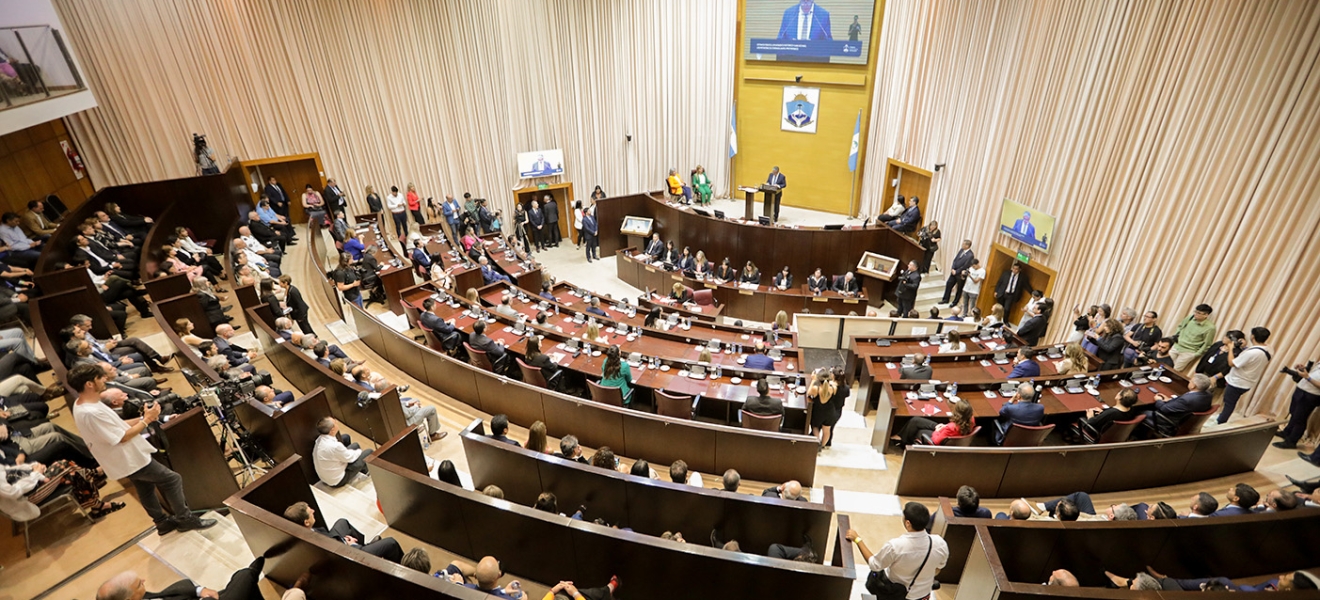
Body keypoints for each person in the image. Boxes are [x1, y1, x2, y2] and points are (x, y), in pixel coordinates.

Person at [68, 364, 215, 534]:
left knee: (145, 488)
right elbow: (121, 437)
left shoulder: (84, 404)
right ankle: (185, 518)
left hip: (123, 458)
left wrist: (150, 418)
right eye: (100, 378)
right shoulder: (90, 412)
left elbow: (118, 425)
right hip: (126, 457)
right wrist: (145, 421)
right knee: (171, 479)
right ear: (89, 384)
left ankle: (161, 523)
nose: (105, 379)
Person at [846, 502, 948, 600]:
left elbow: (874, 565)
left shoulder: (896, 546)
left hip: (896, 594)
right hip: (923, 595)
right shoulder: (940, 543)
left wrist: (857, 539)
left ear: (908, 523)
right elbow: (938, 569)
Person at [283, 501, 403, 562]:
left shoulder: (302, 532)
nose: (313, 511)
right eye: (310, 512)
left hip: (336, 543)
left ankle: (364, 546)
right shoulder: (316, 541)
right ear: (306, 523)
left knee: (342, 522)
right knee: (390, 543)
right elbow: (334, 551)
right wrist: (349, 545)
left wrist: (343, 540)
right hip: (346, 557)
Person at [95, 559, 266, 600]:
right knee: (244, 577)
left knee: (244, 586)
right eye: (139, 583)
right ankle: (250, 573)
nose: (145, 580)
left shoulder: (141, 596)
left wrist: (199, 590)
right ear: (130, 598)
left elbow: (168, 593)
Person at [1217, 326, 1272, 424]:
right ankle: (1221, 418)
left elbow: (1232, 363)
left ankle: (1221, 421)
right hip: (1248, 381)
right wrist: (1244, 347)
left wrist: (1230, 349)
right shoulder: (1269, 349)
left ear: (1253, 336)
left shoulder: (1252, 353)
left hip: (1237, 382)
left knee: (1229, 403)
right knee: (1230, 402)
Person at [1146, 373, 1214, 435]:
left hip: (1168, 420)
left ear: (1193, 386)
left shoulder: (1187, 399)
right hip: (1183, 418)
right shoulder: (1208, 395)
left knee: (1141, 411)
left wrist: (1159, 400)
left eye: (1190, 381)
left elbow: (1164, 409)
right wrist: (1170, 399)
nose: (1189, 382)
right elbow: (1183, 404)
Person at [1274, 359, 1320, 449]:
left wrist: (1307, 377)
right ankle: (1287, 432)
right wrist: (1304, 369)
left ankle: (1291, 441)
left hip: (1311, 395)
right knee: (1294, 413)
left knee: (1300, 418)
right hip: (1302, 389)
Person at [313, 417, 371, 487]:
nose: (337, 421)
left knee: (354, 444)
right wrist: (359, 452)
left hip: (326, 476)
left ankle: (362, 470)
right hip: (337, 481)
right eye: (335, 422)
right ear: (332, 430)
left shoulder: (319, 440)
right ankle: (366, 473)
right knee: (368, 452)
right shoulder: (335, 446)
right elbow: (350, 458)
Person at [894, 396, 974, 447]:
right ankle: (901, 437)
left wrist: (937, 431)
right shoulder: (971, 420)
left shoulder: (951, 428)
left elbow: (935, 442)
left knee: (918, 430)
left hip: (938, 437)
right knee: (915, 420)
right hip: (945, 431)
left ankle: (904, 441)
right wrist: (941, 427)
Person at [1169, 304, 1217, 371]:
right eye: (1195, 311)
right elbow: (1180, 326)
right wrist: (1177, 336)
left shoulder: (1210, 328)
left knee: (1174, 371)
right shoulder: (1190, 318)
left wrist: (1196, 354)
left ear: (1206, 315)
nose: (1195, 314)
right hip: (1176, 346)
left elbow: (1207, 344)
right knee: (1164, 364)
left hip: (1189, 351)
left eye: (1199, 313)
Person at [807, 369, 837, 447]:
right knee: (827, 431)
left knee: (815, 427)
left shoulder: (816, 389)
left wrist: (813, 380)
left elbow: (809, 393)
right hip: (830, 412)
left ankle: (817, 444)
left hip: (818, 412)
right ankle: (822, 446)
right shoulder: (833, 388)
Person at [940, 240, 975, 306]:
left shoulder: (970, 255)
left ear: (967, 246)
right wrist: (953, 268)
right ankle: (945, 299)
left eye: (963, 244)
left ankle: (955, 302)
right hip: (954, 272)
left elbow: (966, 265)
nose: (962, 245)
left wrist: (957, 271)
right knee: (949, 284)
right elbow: (955, 260)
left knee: (959, 289)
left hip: (960, 274)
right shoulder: (961, 250)